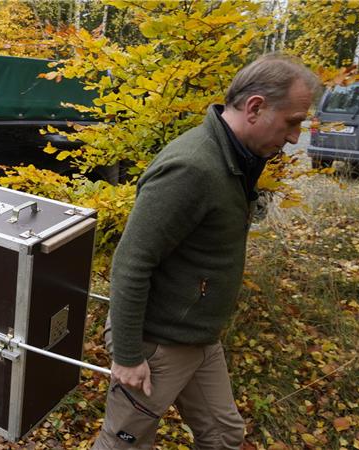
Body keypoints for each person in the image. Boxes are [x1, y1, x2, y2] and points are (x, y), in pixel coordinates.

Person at [93, 54, 320, 449]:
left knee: (223, 435)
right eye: (293, 121)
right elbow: (131, 262)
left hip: (198, 338)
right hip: (157, 342)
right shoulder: (193, 168)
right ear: (255, 107)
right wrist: (128, 356)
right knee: (124, 443)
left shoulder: (235, 158)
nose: (295, 137)